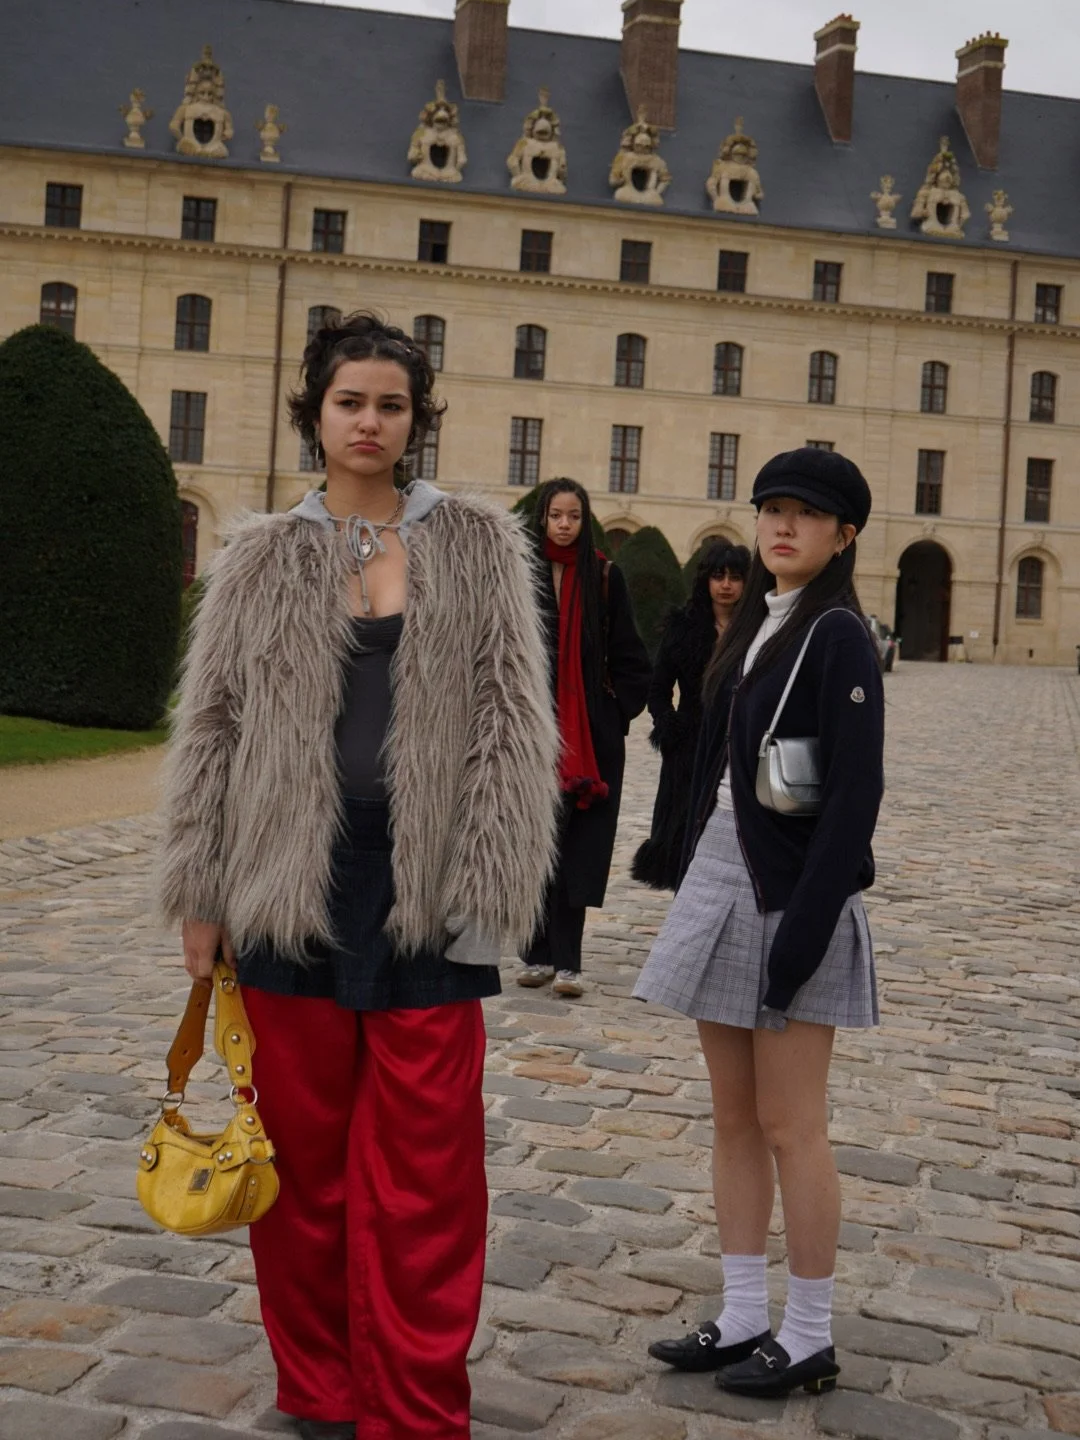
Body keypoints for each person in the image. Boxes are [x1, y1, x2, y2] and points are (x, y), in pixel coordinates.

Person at [157, 312, 559, 1440]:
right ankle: (322, 1391)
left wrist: (492, 882)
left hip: (430, 886)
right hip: (285, 886)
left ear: (416, 418)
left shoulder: (478, 541)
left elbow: (511, 723)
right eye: (350, 401)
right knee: (303, 1166)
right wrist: (199, 891)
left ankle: (417, 1403)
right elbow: (213, 731)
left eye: (391, 402)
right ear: (315, 413)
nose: (370, 420)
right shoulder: (260, 553)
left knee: (428, 1174)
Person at [636, 448, 884, 1400]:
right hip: (725, 877)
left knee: (792, 1125)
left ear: (843, 534)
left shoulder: (839, 638)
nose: (782, 527)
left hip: (791, 897)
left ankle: (809, 1332)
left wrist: (804, 936)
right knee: (734, 1120)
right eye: (771, 510)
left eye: (805, 515)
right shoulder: (758, 624)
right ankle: (743, 1311)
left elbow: (853, 801)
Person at [517, 478, 651, 997]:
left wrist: (613, 716)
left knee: (577, 848)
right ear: (543, 518)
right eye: (556, 515)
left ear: (584, 518)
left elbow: (632, 657)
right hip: (532, 731)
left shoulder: (604, 576)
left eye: (573, 515)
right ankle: (534, 952)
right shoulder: (523, 573)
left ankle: (567, 961)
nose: (565, 524)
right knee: (534, 844)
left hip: (587, 739)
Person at [632, 540, 751, 891]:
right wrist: (668, 728)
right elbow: (658, 688)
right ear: (706, 580)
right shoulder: (683, 627)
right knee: (684, 830)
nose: (726, 585)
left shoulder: (756, 628)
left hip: (740, 742)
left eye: (734, 577)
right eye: (718, 576)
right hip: (689, 746)